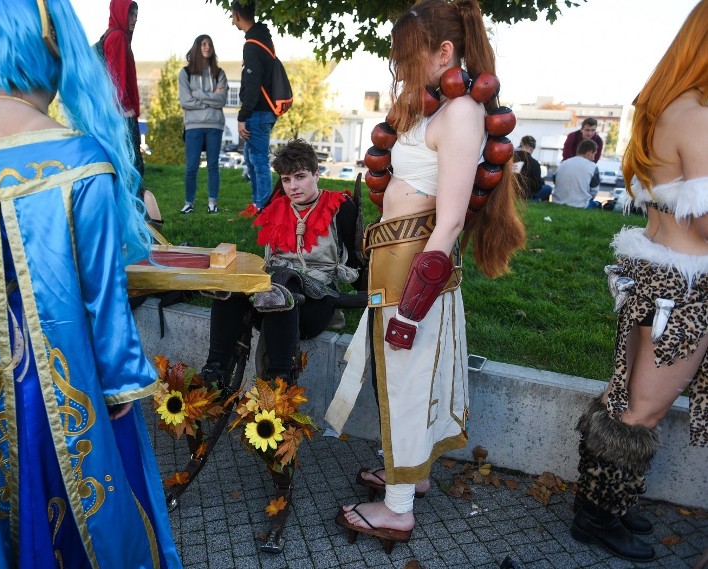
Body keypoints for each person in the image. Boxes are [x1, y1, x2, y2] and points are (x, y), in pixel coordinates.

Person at [0, 1, 181, 567]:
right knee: (85, 515)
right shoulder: (80, 157)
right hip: (70, 384)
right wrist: (119, 384)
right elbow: (102, 297)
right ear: (53, 40)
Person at [336, 0, 524, 550]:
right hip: (398, 259)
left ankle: (396, 510)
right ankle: (408, 477)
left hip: (417, 267)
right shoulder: (435, 111)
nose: (399, 70)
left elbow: (448, 222)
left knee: (409, 380)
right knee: (403, 377)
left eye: (407, 58)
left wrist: (413, 310)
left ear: (445, 51)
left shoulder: (462, 113)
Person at [571, 1, 708, 562]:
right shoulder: (697, 112)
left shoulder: (667, 106)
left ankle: (607, 505)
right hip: (681, 285)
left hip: (658, 276)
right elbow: (704, 219)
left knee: (628, 396)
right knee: (642, 409)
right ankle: (597, 519)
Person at [199, 138, 362, 551]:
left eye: (300, 177)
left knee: (284, 281)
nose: (293, 186)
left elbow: (359, 269)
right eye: (286, 179)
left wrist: (346, 275)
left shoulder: (339, 206)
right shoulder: (277, 207)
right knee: (237, 285)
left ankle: (278, 379)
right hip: (273, 293)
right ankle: (216, 369)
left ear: (316, 174)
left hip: (318, 299)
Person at [231, 1, 277, 217]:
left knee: (258, 161)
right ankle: (258, 204)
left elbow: (253, 82)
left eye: (232, 16)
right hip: (263, 110)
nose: (232, 20)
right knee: (251, 158)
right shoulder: (263, 39)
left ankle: (264, 208)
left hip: (258, 112)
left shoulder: (252, 44)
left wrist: (243, 116)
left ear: (237, 16)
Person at [178, 35, 229, 214]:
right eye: (203, 44)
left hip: (215, 125)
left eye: (210, 44)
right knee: (192, 166)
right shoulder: (185, 73)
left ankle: (212, 204)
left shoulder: (219, 73)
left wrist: (197, 94)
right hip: (193, 125)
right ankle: (189, 203)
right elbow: (185, 101)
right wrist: (209, 99)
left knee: (213, 165)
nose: (207, 47)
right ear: (197, 47)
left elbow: (222, 99)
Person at [102, 0, 145, 180]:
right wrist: (124, 107)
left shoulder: (110, 35)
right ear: (120, 12)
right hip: (123, 115)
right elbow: (117, 76)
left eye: (136, 14)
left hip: (115, 114)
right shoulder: (118, 37)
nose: (134, 19)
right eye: (130, 14)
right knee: (133, 170)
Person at [552, 139, 601, 208]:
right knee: (597, 204)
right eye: (594, 154)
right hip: (581, 205)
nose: (593, 158)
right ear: (589, 153)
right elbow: (594, 191)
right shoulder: (593, 167)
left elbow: (555, 181)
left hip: (557, 202)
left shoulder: (563, 164)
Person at [513, 135, 552, 201]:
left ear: (521, 145)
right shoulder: (535, 163)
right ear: (532, 148)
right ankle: (535, 200)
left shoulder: (511, 157)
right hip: (526, 194)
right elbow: (537, 187)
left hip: (510, 191)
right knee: (548, 188)